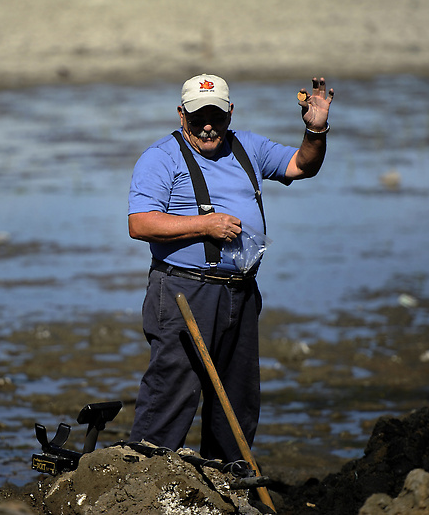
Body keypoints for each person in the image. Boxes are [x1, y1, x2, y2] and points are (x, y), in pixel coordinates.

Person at [127, 73, 333, 463]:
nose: (208, 126)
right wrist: (204, 225)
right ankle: (144, 480)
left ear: (230, 113)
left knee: (237, 399)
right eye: (198, 117)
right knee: (172, 394)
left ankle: (226, 483)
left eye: (217, 117)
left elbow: (301, 166)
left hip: (241, 292)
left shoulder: (247, 146)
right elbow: (140, 223)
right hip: (185, 293)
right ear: (181, 114)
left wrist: (316, 129)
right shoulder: (160, 158)